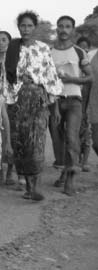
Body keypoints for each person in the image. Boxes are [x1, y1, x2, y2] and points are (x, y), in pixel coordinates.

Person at [5, 10, 63, 201]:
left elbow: (51, 78)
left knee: (36, 142)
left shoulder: (44, 49)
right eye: (23, 25)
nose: (26, 29)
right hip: (18, 101)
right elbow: (8, 79)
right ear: (18, 27)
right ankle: (28, 187)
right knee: (21, 143)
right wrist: (9, 104)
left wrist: (53, 108)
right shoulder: (13, 48)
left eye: (30, 26)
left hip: (38, 100)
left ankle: (36, 187)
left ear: (35, 27)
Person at [49, 16, 93, 195]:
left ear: (73, 30)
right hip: (55, 100)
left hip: (74, 100)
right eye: (60, 26)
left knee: (72, 137)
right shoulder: (49, 52)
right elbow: (46, 79)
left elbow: (90, 77)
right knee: (58, 139)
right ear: (57, 29)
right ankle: (63, 172)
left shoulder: (79, 52)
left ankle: (71, 178)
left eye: (67, 27)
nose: (63, 30)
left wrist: (71, 79)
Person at [0, 30, 18, 186]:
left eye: (4, 40)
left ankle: (10, 170)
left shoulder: (15, 60)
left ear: (9, 42)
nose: (1, 43)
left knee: (10, 134)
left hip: (13, 101)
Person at [76, 36, 94, 171]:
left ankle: (85, 162)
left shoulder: (91, 69)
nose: (84, 50)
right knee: (74, 135)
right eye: (81, 47)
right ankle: (78, 159)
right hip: (76, 105)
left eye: (86, 47)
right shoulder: (76, 68)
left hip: (87, 107)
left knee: (87, 135)